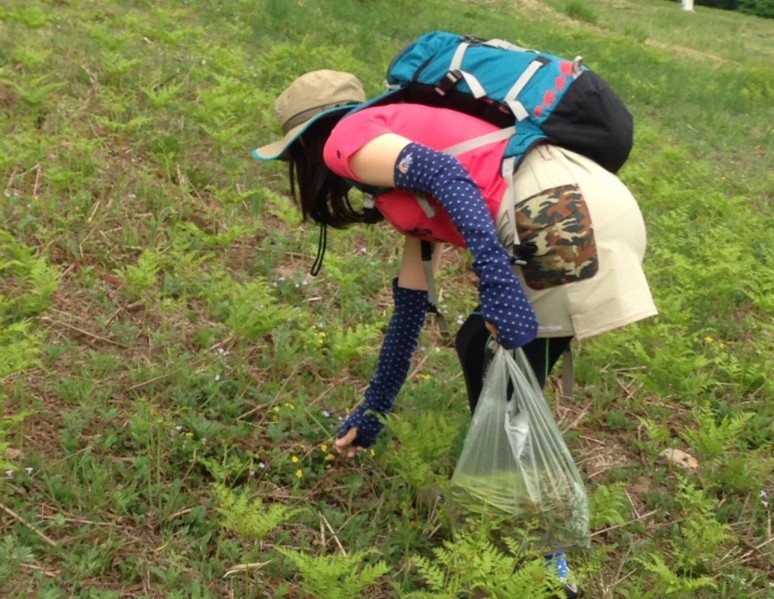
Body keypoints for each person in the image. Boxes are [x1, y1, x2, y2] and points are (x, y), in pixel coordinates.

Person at [253, 69, 657, 598]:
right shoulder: (399, 158)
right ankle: (529, 540)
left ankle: (550, 568)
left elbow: (446, 174)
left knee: (504, 382)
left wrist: (495, 281)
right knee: (487, 358)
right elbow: (408, 312)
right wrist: (373, 411)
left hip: (558, 211)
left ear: (308, 143)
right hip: (594, 203)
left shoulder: (347, 140)